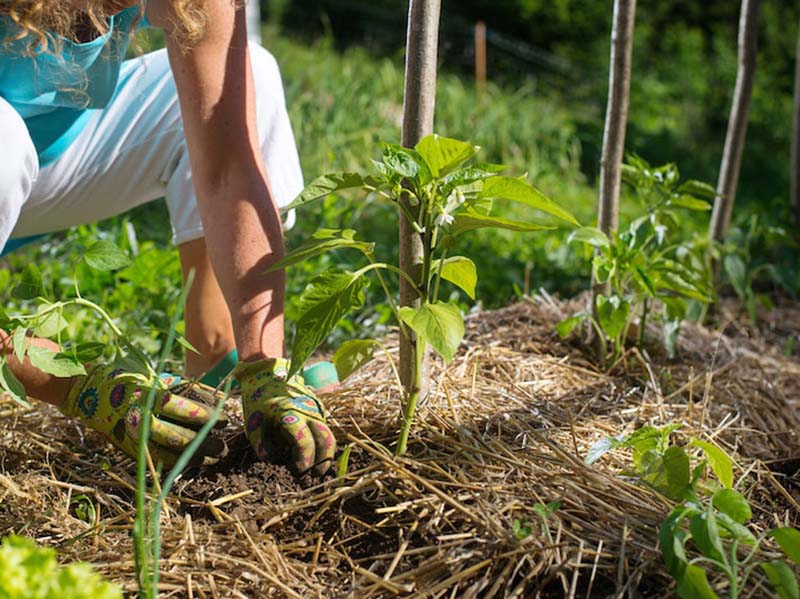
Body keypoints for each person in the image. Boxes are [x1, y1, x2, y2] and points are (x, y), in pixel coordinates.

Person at [0, 0, 337, 475]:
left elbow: (227, 165)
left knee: (249, 73)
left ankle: (218, 360)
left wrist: (267, 366)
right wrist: (78, 385)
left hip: (50, 156)